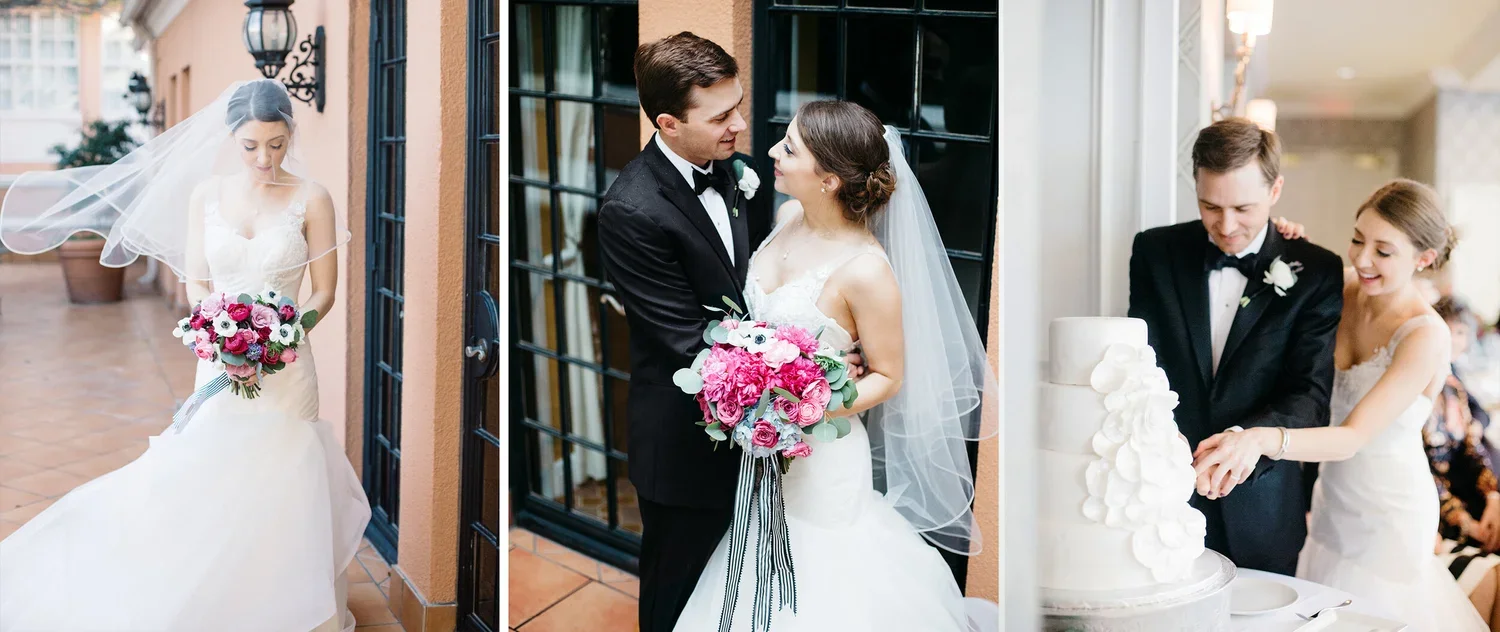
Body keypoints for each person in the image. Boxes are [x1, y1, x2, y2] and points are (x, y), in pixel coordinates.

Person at [0, 79, 370, 631]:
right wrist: (222, 336)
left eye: (276, 143)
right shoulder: (207, 195)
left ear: (290, 133)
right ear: (231, 139)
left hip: (289, 367)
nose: (265, 157)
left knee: (287, 480)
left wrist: (286, 333)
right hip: (219, 361)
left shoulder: (312, 197)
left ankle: (285, 607)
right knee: (212, 470)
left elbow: (324, 291)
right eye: (251, 146)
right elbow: (197, 283)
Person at [668, 100, 993, 631]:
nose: (772, 151)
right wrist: (745, 389)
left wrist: (807, 410)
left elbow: (889, 375)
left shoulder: (866, 272)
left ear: (830, 180)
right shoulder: (787, 216)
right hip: (765, 449)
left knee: (822, 583)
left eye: (790, 148)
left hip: (825, 459)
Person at [1192, 179, 1486, 629]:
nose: (1362, 259)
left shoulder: (1426, 334)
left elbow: (1352, 437)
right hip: (1333, 501)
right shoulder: (1345, 289)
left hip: (1390, 511)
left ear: (1423, 259)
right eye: (1357, 239)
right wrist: (1281, 238)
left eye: (1383, 252)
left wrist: (1259, 439)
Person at [595, 32, 777, 632]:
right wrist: (799, 374)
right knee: (678, 595)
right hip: (684, 443)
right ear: (669, 123)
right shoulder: (631, 209)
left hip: (757, 432)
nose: (741, 125)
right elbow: (686, 337)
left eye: (739, 105)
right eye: (722, 115)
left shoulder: (737, 172)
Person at [1126, 118, 1345, 575]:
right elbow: (1141, 363)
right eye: (1210, 206)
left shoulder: (1317, 270)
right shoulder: (1154, 251)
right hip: (1162, 494)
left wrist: (1247, 444)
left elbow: (1310, 394)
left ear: (1276, 189)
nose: (1226, 226)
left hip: (1262, 507)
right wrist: (1167, 446)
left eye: (1244, 208)